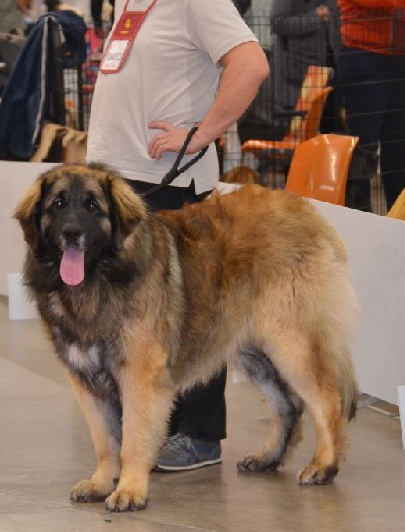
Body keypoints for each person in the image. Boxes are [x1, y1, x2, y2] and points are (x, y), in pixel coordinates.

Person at [85, 0, 269, 471]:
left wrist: (202, 133)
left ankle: (199, 436)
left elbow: (251, 64)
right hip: (119, 185)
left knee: (193, 313)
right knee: (130, 320)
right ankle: (148, 428)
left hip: (168, 184)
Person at [336, 0, 405, 213]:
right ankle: (361, 219)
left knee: (398, 147)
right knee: (363, 147)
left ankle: (403, 218)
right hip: (364, 55)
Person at [270, 0, 340, 124]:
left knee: (328, 124)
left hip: (331, 68)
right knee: (301, 126)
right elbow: (278, 23)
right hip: (299, 72)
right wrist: (315, 17)